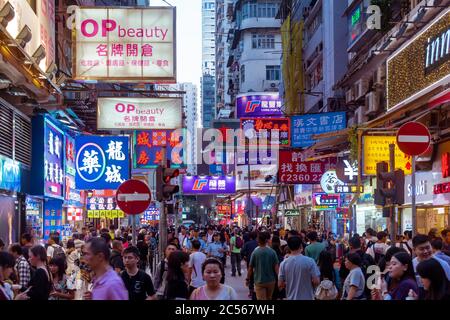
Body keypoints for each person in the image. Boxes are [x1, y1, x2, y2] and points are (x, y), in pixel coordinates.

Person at [278, 236, 320, 300]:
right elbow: (316, 281)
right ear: (301, 246)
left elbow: (280, 284)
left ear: (288, 247)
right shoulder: (310, 261)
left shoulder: (283, 264)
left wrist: (289, 282)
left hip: (290, 297)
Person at [412, 234, 450, 299]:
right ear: (414, 250)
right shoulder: (412, 264)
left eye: (428, 247)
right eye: (421, 249)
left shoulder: (442, 264)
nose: (426, 251)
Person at [247, 231, 279, 300]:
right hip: (271, 281)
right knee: (269, 298)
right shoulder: (272, 252)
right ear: (266, 240)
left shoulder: (255, 252)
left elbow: (250, 268)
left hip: (259, 281)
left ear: (258, 240)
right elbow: (276, 268)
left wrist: (248, 279)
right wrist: (279, 279)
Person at [241, 231, 258, 299]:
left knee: (250, 275)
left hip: (250, 261)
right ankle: (256, 289)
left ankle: (251, 291)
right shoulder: (259, 243)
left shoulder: (247, 243)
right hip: (258, 262)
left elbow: (242, 251)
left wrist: (244, 257)